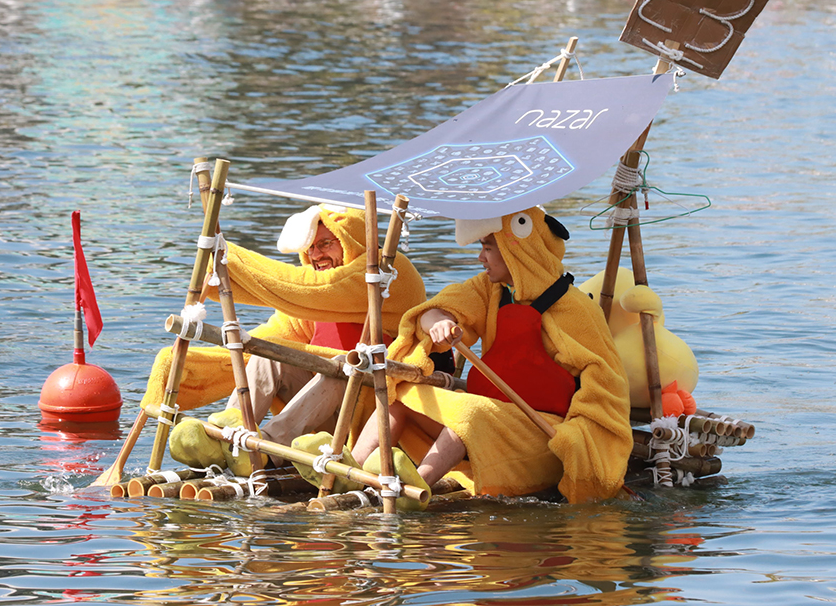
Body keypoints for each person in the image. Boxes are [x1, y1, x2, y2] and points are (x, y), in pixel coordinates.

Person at [349, 206, 633, 507]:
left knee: (470, 416)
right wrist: (440, 323)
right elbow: (432, 311)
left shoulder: (577, 310)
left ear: (517, 249)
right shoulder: (491, 290)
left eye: (487, 248)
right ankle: (349, 471)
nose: (480, 258)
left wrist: (577, 438)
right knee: (402, 397)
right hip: (494, 416)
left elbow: (606, 386)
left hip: (544, 434)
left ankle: (414, 489)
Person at [141, 204, 427, 471]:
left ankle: (265, 451)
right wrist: (193, 363)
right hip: (321, 411)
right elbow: (268, 337)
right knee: (269, 353)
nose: (316, 256)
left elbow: (318, 289)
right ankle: (229, 434)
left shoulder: (387, 273)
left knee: (342, 366)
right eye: (310, 248)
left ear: (351, 240)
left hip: (371, 413)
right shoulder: (309, 300)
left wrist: (229, 258)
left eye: (326, 243)